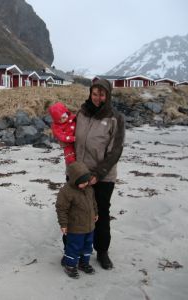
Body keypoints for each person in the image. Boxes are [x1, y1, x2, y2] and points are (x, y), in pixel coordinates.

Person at [75, 79, 125, 270]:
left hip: (103, 176)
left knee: (101, 213)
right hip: (79, 172)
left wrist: (98, 174)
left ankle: (102, 252)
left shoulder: (115, 118)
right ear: (90, 94)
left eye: (101, 94)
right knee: (78, 212)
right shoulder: (82, 113)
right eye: (94, 94)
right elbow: (72, 137)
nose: (97, 98)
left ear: (108, 95)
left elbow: (115, 151)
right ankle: (76, 250)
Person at [55, 161, 98, 279]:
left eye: (86, 181)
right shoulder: (66, 192)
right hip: (75, 228)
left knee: (87, 246)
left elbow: (93, 202)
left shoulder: (89, 189)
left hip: (89, 226)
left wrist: (96, 213)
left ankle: (84, 263)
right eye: (82, 182)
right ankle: (70, 265)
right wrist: (63, 224)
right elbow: (61, 209)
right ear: (74, 180)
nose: (85, 184)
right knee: (74, 247)